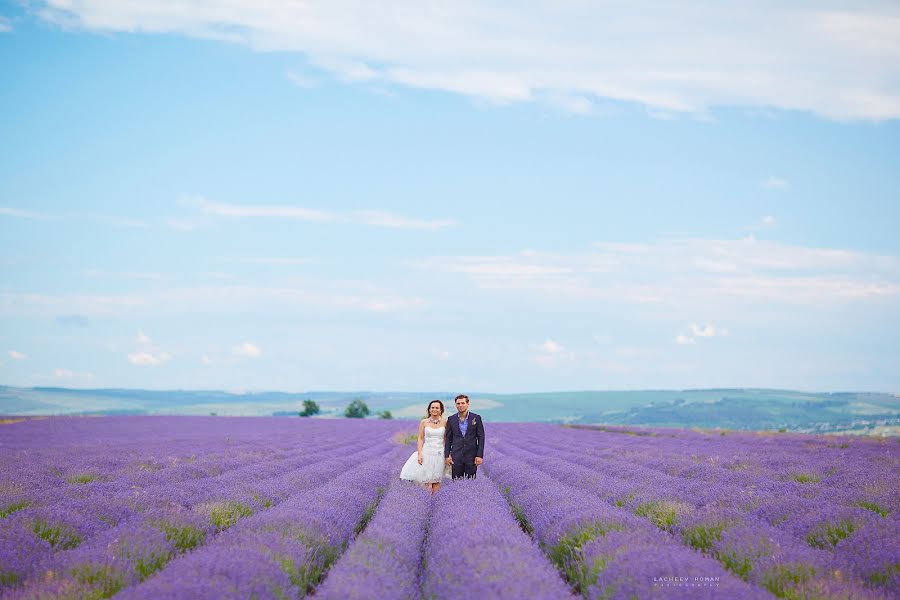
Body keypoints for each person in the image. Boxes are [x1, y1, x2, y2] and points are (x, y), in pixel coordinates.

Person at [399, 400, 450, 494]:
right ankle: (425, 501)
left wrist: (448, 454)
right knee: (425, 480)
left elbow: (446, 440)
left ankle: (435, 502)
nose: (434, 409)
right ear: (429, 410)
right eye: (432, 408)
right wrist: (420, 453)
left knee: (436, 480)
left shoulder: (445, 422)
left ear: (441, 410)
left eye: (437, 408)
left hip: (439, 453)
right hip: (427, 453)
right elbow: (420, 438)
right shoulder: (424, 422)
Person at [444, 394, 485, 479]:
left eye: (462, 403)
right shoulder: (451, 419)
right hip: (456, 455)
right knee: (456, 482)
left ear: (468, 404)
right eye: (458, 403)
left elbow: (481, 437)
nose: (460, 405)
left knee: (471, 482)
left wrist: (479, 455)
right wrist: (447, 455)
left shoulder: (476, 418)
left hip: (472, 456)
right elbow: (448, 438)